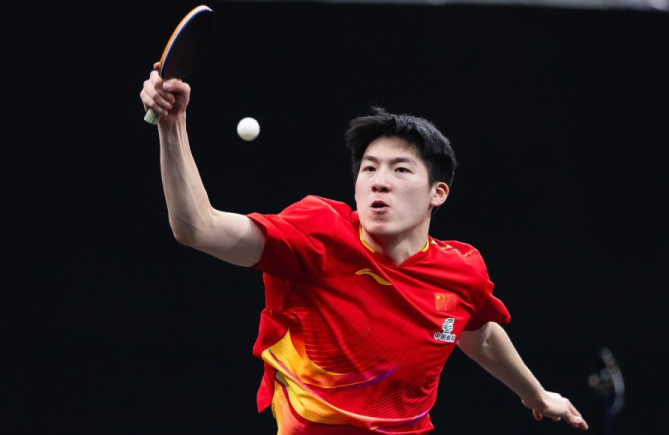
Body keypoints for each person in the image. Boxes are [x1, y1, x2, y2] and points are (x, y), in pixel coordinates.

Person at [140, 64, 589, 434]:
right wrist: (172, 126)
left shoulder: (461, 270)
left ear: (438, 193)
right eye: (369, 169)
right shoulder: (318, 236)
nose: (379, 181)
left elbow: (479, 334)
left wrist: (536, 394)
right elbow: (198, 227)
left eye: (400, 170)